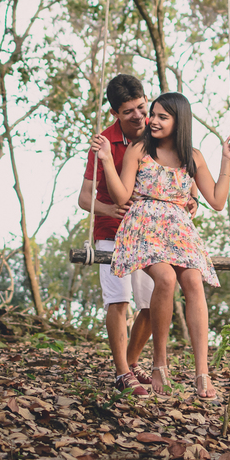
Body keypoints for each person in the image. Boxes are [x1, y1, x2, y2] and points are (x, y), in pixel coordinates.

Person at [91, 92, 230, 400]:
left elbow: (218, 200)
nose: (152, 120)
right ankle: (159, 363)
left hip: (179, 229)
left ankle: (202, 373)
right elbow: (121, 196)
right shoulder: (139, 149)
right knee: (167, 278)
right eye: (152, 114)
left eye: (161, 116)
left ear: (178, 121)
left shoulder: (193, 156)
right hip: (142, 224)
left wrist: (226, 160)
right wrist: (105, 160)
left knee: (194, 280)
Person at [78, 74, 155, 397]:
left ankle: (132, 362)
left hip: (151, 233)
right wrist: (108, 211)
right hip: (112, 232)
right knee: (119, 300)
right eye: (128, 112)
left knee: (153, 304)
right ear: (115, 114)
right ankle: (122, 373)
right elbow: (84, 199)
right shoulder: (104, 143)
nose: (138, 116)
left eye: (141, 107)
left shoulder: (159, 131)